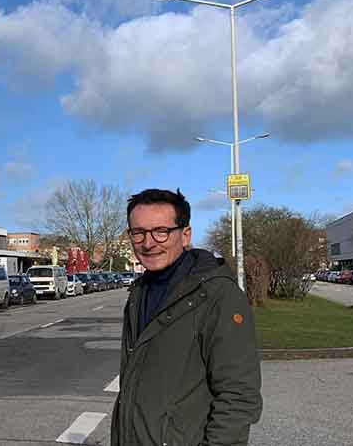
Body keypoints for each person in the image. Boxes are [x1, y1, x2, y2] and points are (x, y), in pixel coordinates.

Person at [111, 188, 262, 446]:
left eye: (161, 231)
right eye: (139, 233)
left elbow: (238, 396)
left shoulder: (217, 295)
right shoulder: (139, 293)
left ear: (185, 235)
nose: (148, 243)